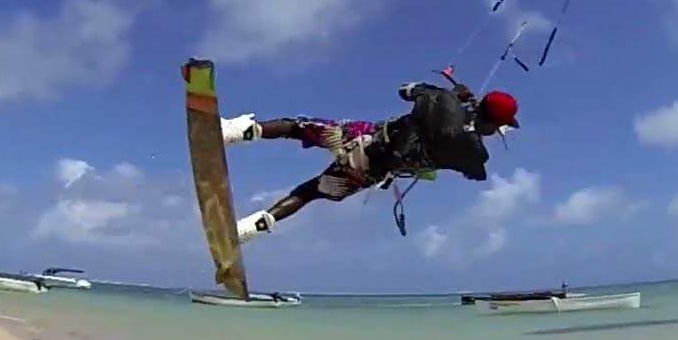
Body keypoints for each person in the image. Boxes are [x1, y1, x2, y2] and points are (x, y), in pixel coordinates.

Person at [219, 80, 521, 244]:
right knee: (309, 192)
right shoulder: (475, 154)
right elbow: (477, 173)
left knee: (296, 127)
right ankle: (251, 228)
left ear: (479, 104)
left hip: (361, 138)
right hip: (369, 172)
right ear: (493, 124)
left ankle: (236, 131)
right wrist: (477, 130)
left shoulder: (444, 100)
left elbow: (405, 89)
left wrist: (455, 95)